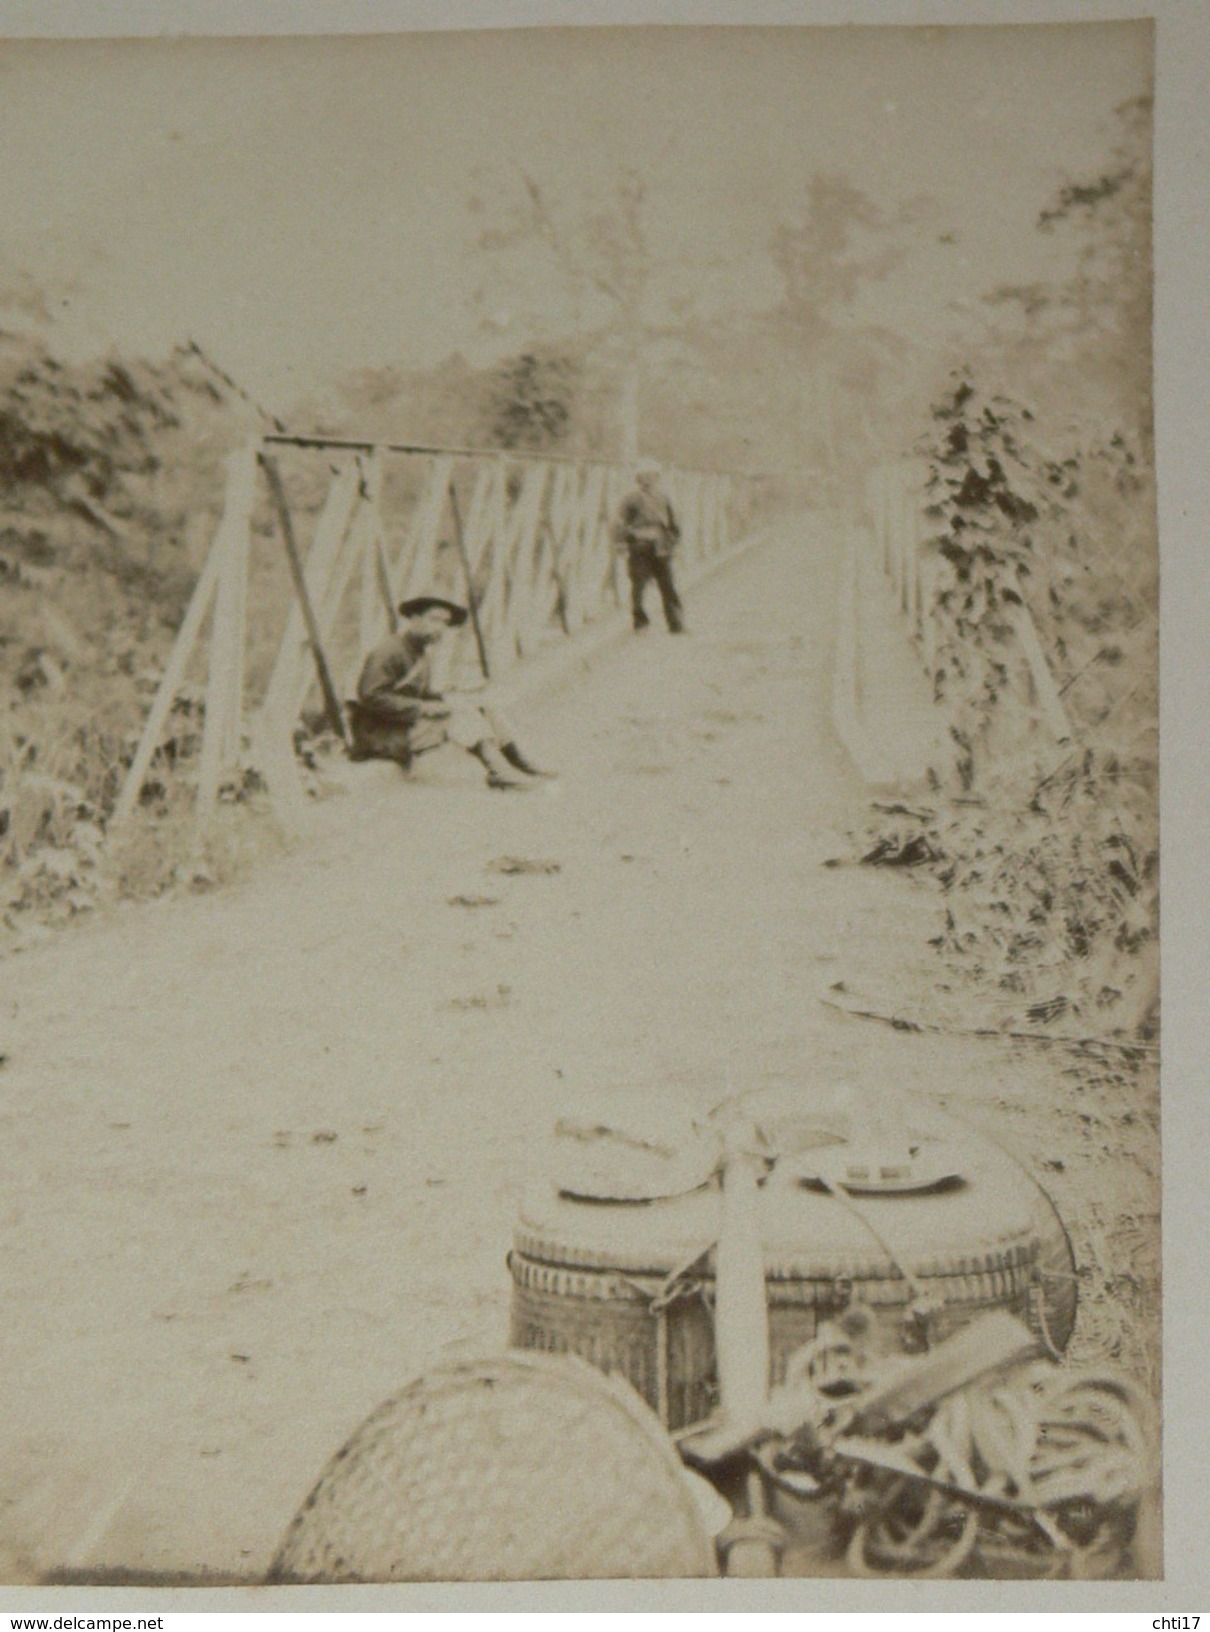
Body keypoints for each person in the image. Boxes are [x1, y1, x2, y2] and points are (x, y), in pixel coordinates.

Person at [347, 596, 552, 790]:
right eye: (434, 619)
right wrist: (426, 707)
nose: (440, 628)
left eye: (445, 623)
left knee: (482, 705)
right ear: (415, 619)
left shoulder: (419, 651)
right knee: (459, 716)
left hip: (402, 723)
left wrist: (451, 697)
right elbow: (371, 696)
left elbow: (417, 693)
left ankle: (517, 760)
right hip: (379, 734)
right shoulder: (389, 650)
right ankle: (498, 770)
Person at [612, 459, 685, 634]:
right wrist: (622, 542)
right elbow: (619, 522)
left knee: (667, 584)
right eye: (644, 476)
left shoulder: (664, 497)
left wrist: (674, 541)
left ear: (657, 477)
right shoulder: (630, 498)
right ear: (638, 478)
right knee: (638, 584)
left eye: (651, 475)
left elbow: (674, 522)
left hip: (660, 545)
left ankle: (675, 623)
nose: (647, 479)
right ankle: (640, 622)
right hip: (639, 545)